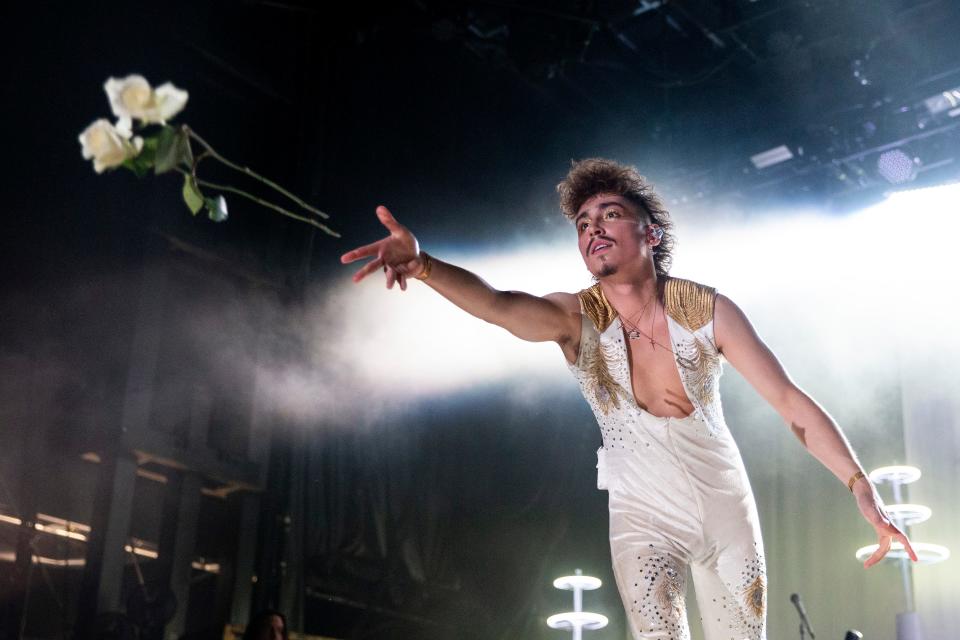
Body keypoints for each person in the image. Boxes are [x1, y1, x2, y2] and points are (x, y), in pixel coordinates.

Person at [340, 158, 916, 640]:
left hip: (726, 508)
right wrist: (424, 265)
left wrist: (860, 486)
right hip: (642, 514)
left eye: (610, 215)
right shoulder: (575, 316)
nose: (592, 228)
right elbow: (498, 304)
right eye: (584, 222)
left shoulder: (707, 310)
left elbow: (790, 403)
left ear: (651, 235)